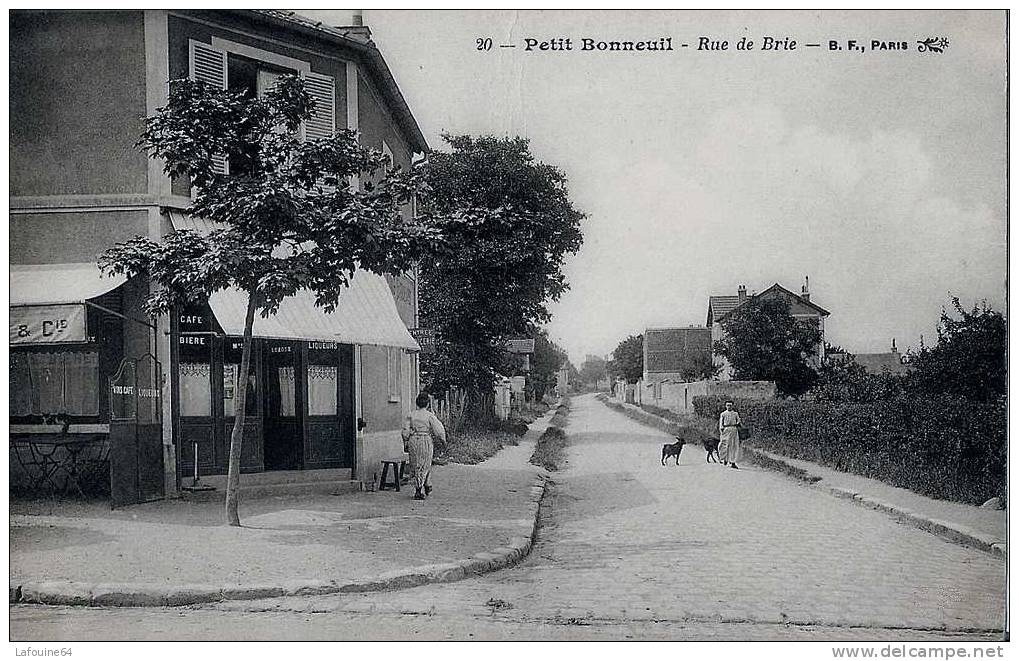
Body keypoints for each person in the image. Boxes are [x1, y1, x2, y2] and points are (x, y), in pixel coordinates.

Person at [401, 392, 447, 500]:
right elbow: (438, 429)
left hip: (413, 440)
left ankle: (423, 485)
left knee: (416, 463)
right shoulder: (429, 415)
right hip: (425, 440)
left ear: (417, 403)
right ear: (427, 404)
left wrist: (405, 442)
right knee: (425, 463)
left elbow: (405, 431)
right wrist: (443, 440)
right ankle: (421, 488)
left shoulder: (411, 415)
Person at [718, 400, 742, 469]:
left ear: (733, 406)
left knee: (734, 446)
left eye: (730, 405)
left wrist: (737, 423)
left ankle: (733, 462)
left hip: (734, 430)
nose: (729, 407)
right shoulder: (723, 414)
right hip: (726, 430)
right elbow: (721, 423)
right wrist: (721, 431)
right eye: (727, 405)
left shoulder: (735, 414)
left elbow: (738, 420)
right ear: (725, 406)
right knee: (725, 445)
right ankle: (725, 459)